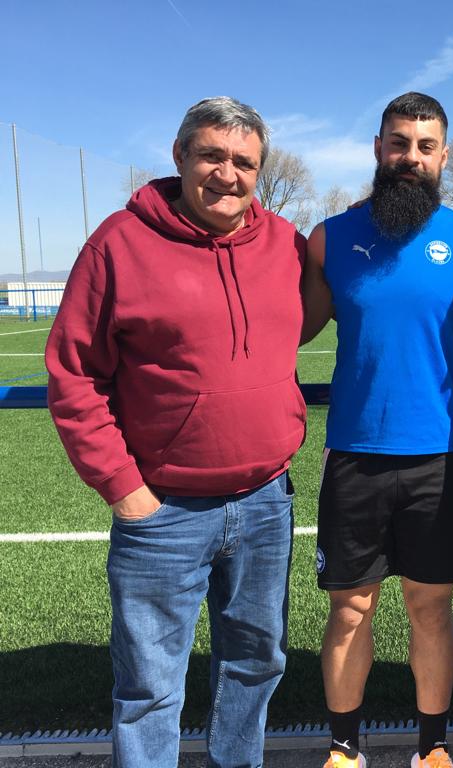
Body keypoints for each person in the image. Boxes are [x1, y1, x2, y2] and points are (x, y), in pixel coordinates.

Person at [45, 97, 305, 767]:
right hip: (163, 512)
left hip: (266, 504)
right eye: (212, 156)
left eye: (244, 162)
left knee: (255, 664)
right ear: (180, 156)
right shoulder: (118, 244)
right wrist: (124, 489)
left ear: (260, 172)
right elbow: (74, 374)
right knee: (150, 688)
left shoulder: (285, 244)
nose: (227, 174)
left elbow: (366, 286)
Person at [300, 92, 453, 768]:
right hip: (353, 458)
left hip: (435, 460)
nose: (410, 157)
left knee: (430, 610)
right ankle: (344, 748)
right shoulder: (330, 239)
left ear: (444, 156)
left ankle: (432, 750)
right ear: (378, 149)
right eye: (399, 143)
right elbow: (286, 333)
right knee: (349, 611)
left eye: (425, 147)